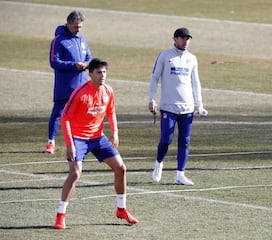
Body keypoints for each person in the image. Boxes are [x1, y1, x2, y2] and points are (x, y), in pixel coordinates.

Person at [54, 58, 138, 230]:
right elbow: (65, 118)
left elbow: (111, 111)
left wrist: (115, 132)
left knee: (121, 168)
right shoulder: (80, 92)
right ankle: (60, 214)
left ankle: (121, 209)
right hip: (78, 139)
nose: (102, 76)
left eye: (105, 72)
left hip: (98, 138)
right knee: (75, 174)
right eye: (99, 72)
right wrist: (70, 144)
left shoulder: (108, 91)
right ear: (90, 73)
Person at [148, 27, 208, 186]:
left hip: (187, 108)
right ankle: (159, 163)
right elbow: (154, 78)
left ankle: (180, 174)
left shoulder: (192, 59)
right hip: (168, 106)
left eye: (188, 38)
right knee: (166, 140)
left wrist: (199, 105)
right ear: (174, 39)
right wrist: (151, 99)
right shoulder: (165, 56)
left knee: (185, 141)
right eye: (182, 38)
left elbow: (196, 83)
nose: (185, 41)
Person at [45, 10, 92, 154]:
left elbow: (89, 57)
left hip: (82, 85)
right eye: (76, 27)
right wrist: (74, 65)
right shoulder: (58, 41)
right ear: (69, 23)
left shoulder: (82, 39)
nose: (78, 30)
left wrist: (87, 63)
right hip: (65, 85)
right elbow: (54, 62)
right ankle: (50, 143)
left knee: (83, 113)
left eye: (80, 27)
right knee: (58, 113)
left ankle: (81, 141)